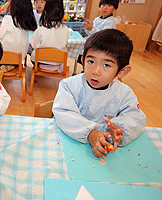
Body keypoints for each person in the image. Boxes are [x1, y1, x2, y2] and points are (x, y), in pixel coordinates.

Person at [52, 29, 146, 158]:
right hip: (69, 143)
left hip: (105, 146)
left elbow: (135, 118)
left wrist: (119, 131)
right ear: (83, 60)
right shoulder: (68, 85)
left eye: (106, 65)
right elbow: (64, 114)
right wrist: (90, 133)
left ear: (122, 72)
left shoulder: (124, 93)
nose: (95, 71)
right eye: (91, 62)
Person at [30, 0, 69, 72]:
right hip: (57, 60)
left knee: (33, 54)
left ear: (45, 12)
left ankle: (45, 66)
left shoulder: (41, 29)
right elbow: (65, 44)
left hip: (40, 60)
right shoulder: (65, 29)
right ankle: (54, 65)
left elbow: (33, 44)